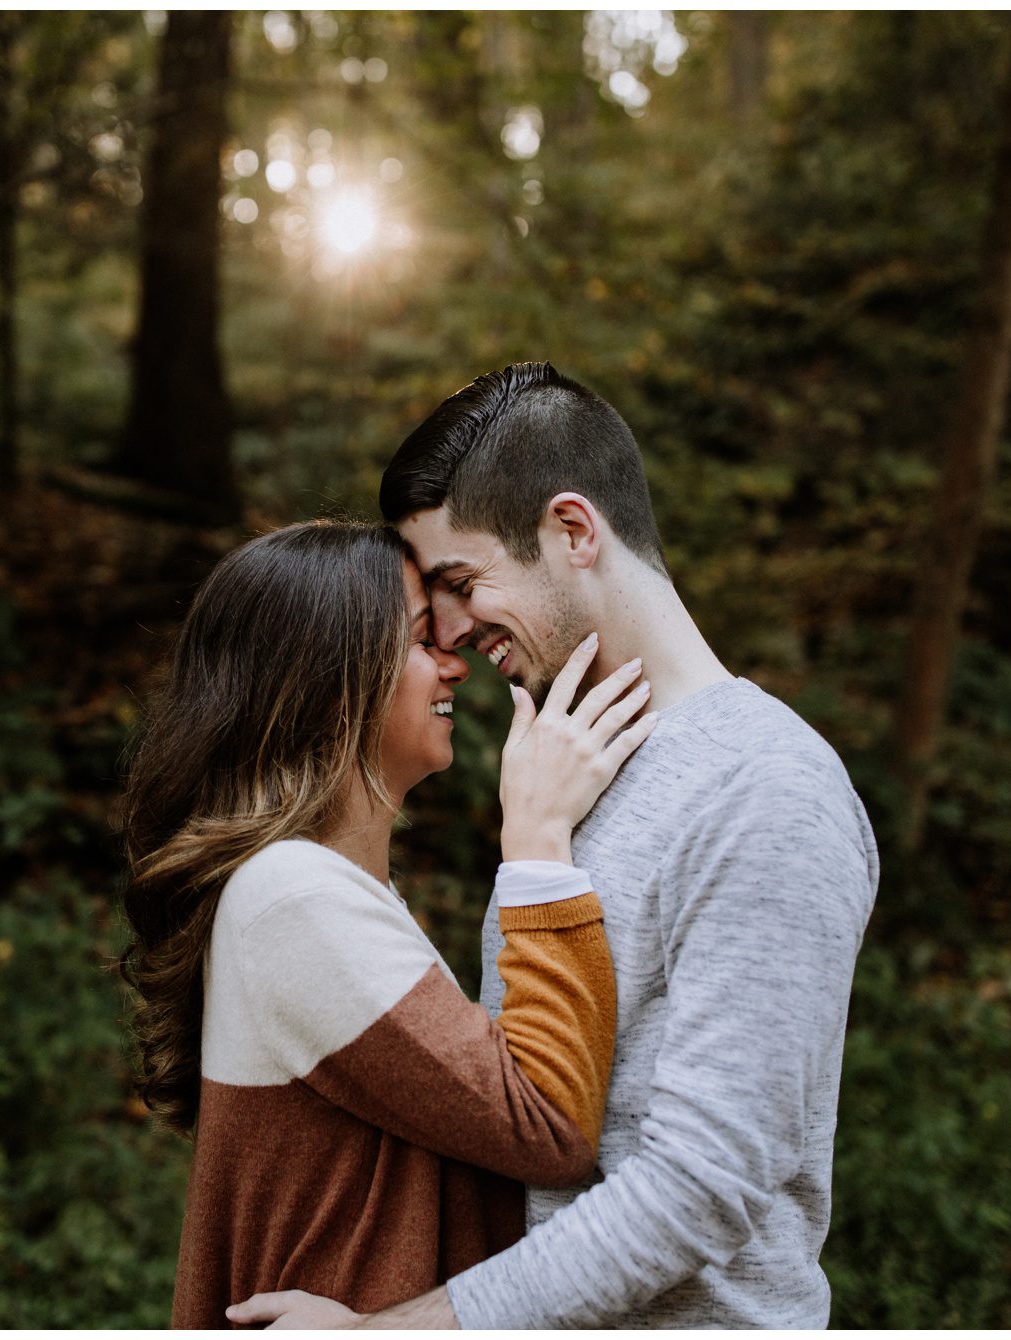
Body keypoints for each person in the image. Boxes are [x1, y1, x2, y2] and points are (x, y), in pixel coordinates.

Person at [229, 363, 881, 1329]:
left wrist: (395, 1332)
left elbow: (703, 1186)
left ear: (572, 532)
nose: (446, 632)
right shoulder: (566, 774)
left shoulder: (769, 788)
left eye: (460, 582)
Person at [117, 519, 660, 1328]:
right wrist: (539, 845)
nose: (456, 665)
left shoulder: (312, 891)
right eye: (419, 639)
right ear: (331, 681)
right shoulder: (294, 896)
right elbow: (547, 1123)